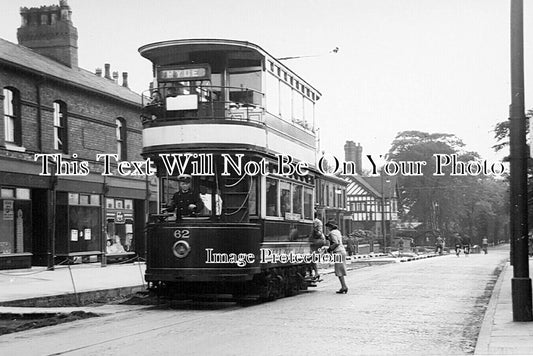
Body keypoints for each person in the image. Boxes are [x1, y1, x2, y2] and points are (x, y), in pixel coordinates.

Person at [325, 220, 348, 294]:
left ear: (330, 226)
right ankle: (343, 286)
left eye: (328, 226)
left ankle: (344, 286)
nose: (327, 228)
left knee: (339, 271)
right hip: (342, 251)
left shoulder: (332, 233)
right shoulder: (337, 232)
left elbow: (336, 243)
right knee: (340, 270)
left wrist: (329, 249)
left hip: (338, 252)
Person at [309, 213, 326, 281]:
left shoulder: (314, 221)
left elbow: (315, 231)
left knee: (311, 256)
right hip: (320, 240)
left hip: (318, 240)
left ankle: (314, 273)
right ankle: (314, 273)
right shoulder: (318, 221)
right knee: (312, 257)